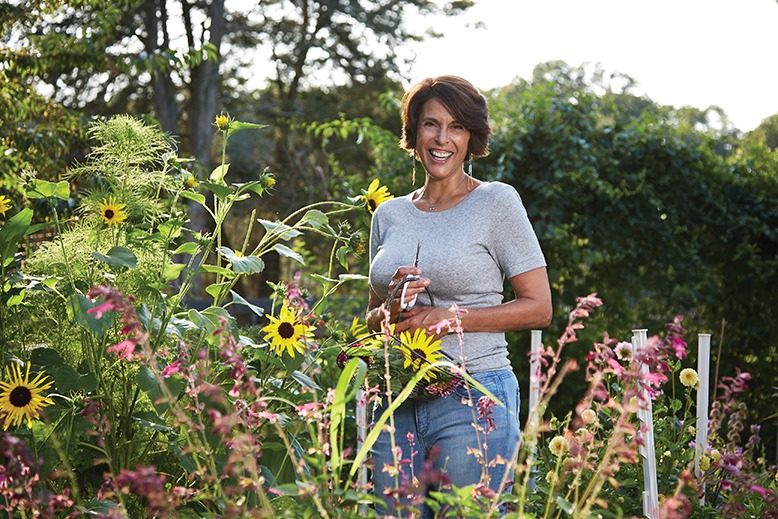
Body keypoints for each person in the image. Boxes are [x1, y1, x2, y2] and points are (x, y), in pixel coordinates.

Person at [366, 75, 552, 516]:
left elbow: (539, 307)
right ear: (414, 133)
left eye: (456, 127)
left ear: (472, 137)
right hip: (398, 397)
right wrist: (390, 310)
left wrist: (451, 317)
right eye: (431, 124)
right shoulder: (389, 214)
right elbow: (371, 317)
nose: (442, 139)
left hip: (474, 394)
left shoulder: (495, 203)